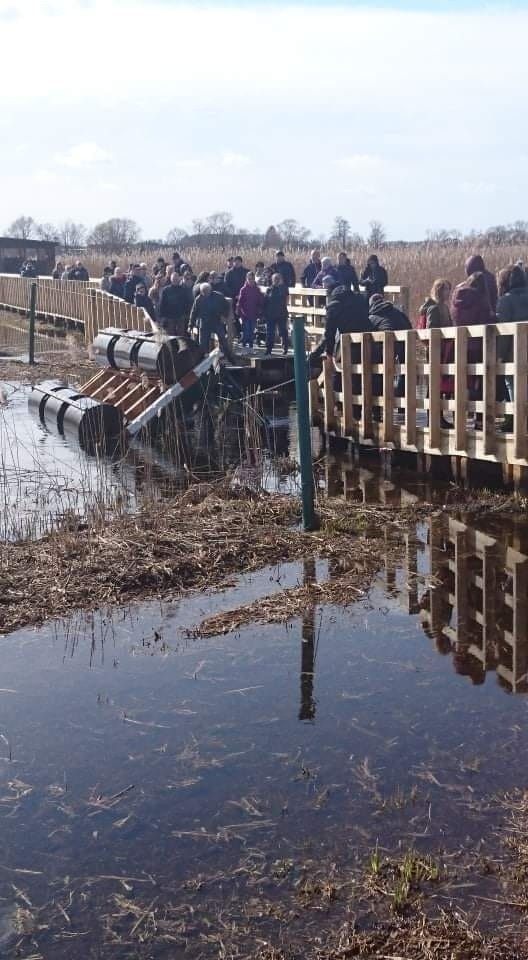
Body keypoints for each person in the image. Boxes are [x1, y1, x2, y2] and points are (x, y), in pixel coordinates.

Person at [496, 265, 528, 429]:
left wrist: (499, 355)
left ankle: (518, 422)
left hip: (514, 351)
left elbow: (504, 331)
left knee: (513, 384)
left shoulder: (505, 300)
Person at [312, 281, 370, 360]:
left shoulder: (333, 306)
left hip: (349, 345)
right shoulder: (360, 299)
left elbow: (329, 333)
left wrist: (329, 353)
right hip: (369, 343)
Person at [190, 282, 234, 360]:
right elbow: (194, 312)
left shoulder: (218, 296)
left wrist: (224, 316)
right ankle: (203, 358)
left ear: (210, 290)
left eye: (207, 291)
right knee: (203, 342)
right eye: (203, 292)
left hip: (216, 321)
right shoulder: (198, 299)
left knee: (223, 339)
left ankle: (228, 356)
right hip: (204, 322)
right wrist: (190, 325)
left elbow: (226, 306)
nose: (205, 294)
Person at [237, 271, 265, 350]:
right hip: (245, 314)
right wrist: (239, 311)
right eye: (249, 279)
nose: (251, 280)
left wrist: (260, 311)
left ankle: (251, 347)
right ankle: (244, 346)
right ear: (247, 279)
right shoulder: (243, 289)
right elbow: (240, 302)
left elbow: (260, 301)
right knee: (246, 331)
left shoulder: (257, 289)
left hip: (254, 313)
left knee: (252, 331)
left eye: (252, 279)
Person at [263, 273, 289, 355]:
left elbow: (286, 300)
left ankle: (285, 348)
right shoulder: (269, 289)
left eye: (278, 279)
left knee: (283, 331)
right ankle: (268, 349)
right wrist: (264, 313)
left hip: (281, 313)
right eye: (275, 279)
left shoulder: (284, 288)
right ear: (272, 280)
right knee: (270, 332)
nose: (276, 281)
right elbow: (265, 302)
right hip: (270, 314)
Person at [159, 271, 189, 335]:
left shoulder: (183, 290)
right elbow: (162, 304)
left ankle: (180, 345)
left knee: (181, 335)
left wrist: (186, 314)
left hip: (180, 316)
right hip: (169, 317)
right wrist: (162, 317)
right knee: (171, 335)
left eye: (176, 279)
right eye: (173, 279)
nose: (175, 280)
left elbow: (187, 303)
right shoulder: (166, 290)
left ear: (179, 279)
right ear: (171, 280)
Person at [224, 255, 248, 336]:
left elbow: (249, 283)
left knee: (245, 315)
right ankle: (237, 332)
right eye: (235, 262)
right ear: (233, 263)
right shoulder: (229, 273)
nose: (237, 263)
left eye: (239, 262)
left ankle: (245, 332)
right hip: (233, 298)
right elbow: (226, 286)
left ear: (241, 263)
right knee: (234, 316)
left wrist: (243, 294)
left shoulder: (246, 272)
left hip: (245, 297)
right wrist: (234, 295)